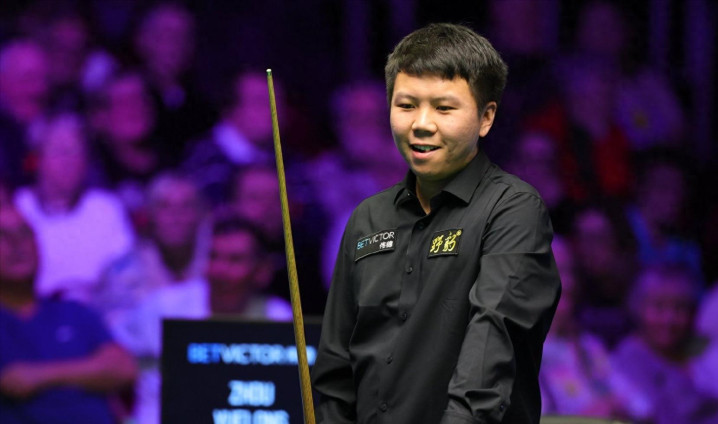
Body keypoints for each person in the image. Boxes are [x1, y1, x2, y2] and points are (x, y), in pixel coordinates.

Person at [311, 23, 561, 424]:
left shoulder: (512, 210)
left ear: (485, 118)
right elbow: (336, 368)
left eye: (444, 108)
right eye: (406, 105)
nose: (421, 124)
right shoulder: (366, 219)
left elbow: (492, 346)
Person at [0, 204, 137, 423]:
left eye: (24, 233)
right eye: (3, 236)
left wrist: (37, 376)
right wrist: (88, 371)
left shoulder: (74, 312)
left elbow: (124, 368)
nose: (17, 244)